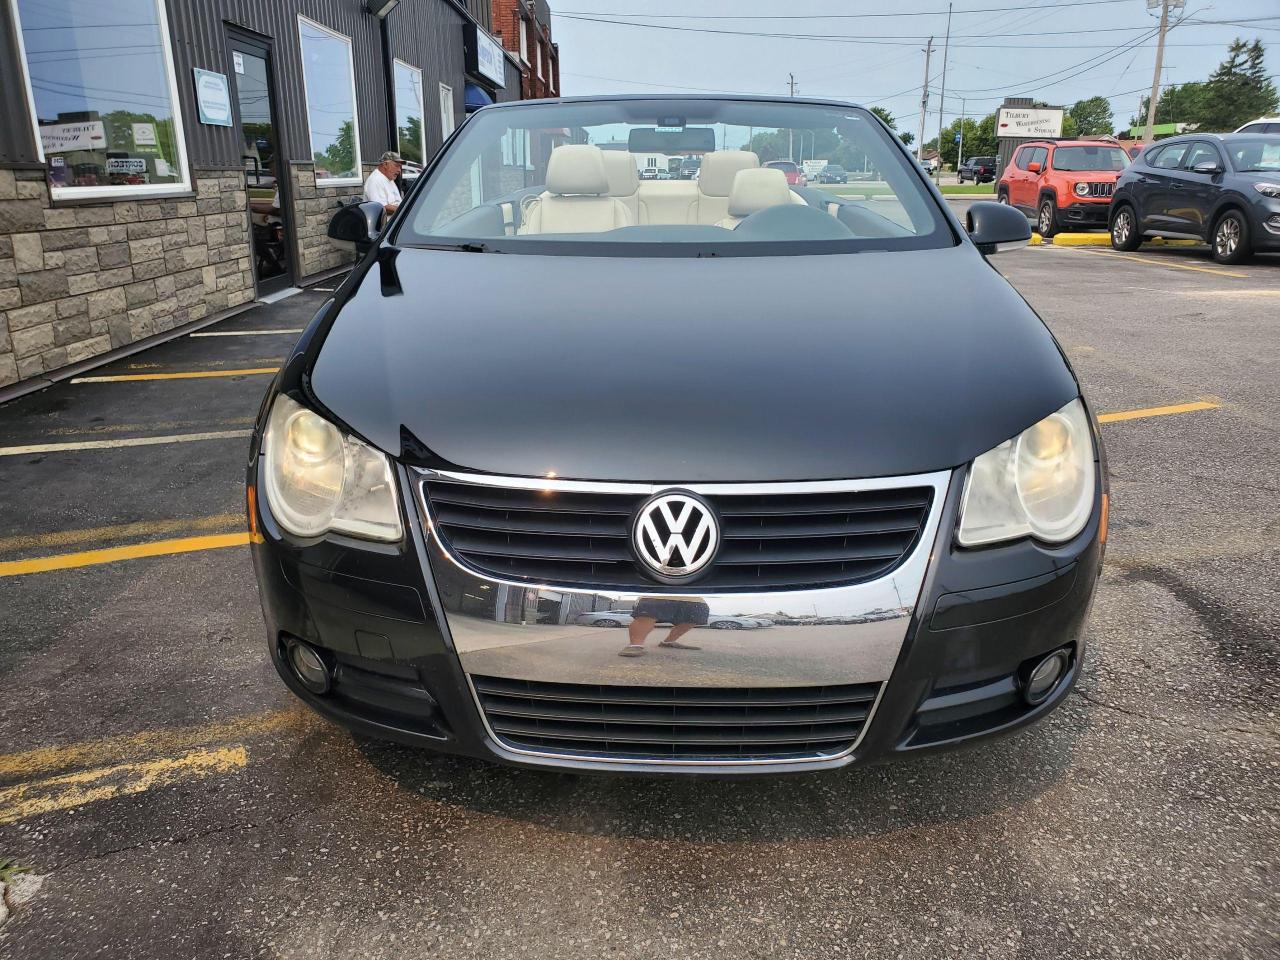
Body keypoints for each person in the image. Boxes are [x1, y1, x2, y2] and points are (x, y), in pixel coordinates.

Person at [618, 597, 708, 657]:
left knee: (693, 619)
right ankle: (635, 645)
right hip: (660, 592)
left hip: (696, 598)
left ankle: (668, 642)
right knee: (647, 615)